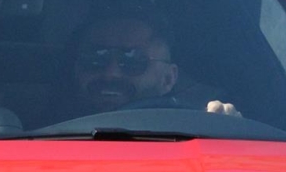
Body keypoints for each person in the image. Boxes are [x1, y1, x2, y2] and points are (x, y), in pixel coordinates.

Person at [67, 15, 239, 119]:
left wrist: (226, 129)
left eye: (132, 60)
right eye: (96, 59)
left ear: (168, 79)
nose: (111, 73)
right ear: (76, 68)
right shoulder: (43, 128)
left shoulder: (196, 132)